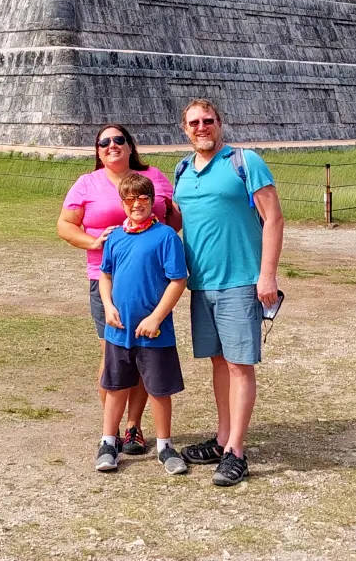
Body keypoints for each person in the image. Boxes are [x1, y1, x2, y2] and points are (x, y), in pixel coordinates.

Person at [173, 98, 283, 486]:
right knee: (218, 362)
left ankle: (236, 449)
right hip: (201, 282)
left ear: (220, 123)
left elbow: (273, 218)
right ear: (184, 129)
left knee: (239, 364)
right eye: (193, 123)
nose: (201, 127)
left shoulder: (245, 161)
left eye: (208, 120)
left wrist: (266, 274)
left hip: (240, 280)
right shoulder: (183, 169)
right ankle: (222, 439)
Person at [57, 124, 178, 455]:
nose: (112, 145)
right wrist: (94, 241)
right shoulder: (87, 183)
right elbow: (65, 226)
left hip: (151, 280)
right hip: (105, 279)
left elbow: (173, 220)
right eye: (104, 142)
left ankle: (133, 427)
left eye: (118, 140)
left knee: (144, 354)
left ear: (130, 146)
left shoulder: (154, 176)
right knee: (112, 356)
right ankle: (108, 431)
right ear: (97, 151)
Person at [95, 172, 189, 475]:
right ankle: (108, 441)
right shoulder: (116, 237)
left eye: (143, 198)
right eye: (130, 199)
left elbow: (178, 280)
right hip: (118, 329)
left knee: (159, 390)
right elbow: (105, 275)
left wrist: (156, 317)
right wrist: (108, 306)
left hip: (155, 332)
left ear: (153, 202)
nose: (137, 204)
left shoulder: (165, 238)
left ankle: (164, 445)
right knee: (115, 387)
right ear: (123, 204)